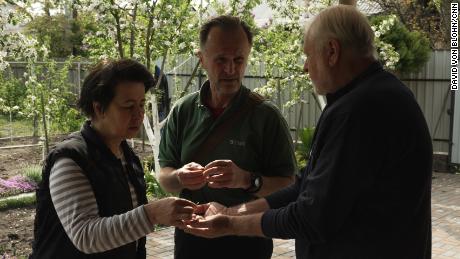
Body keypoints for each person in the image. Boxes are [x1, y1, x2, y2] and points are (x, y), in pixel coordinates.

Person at [185, 5, 433, 259]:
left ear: (332, 52)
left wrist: (230, 225)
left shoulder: (359, 109)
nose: (305, 67)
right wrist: (230, 213)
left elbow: (311, 217)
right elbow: (304, 188)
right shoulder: (370, 95)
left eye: (308, 55)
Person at [158, 15, 297, 259]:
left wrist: (247, 179)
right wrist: (179, 177)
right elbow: (165, 178)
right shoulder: (183, 110)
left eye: (238, 60)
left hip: (247, 239)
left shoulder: (266, 117)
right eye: (221, 60)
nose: (231, 69)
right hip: (192, 238)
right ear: (202, 59)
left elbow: (289, 186)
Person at [31, 59, 197, 259]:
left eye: (141, 104)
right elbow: (85, 235)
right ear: (99, 108)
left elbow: (130, 235)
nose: (138, 114)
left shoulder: (126, 156)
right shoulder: (71, 160)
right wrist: (152, 214)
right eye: (128, 106)